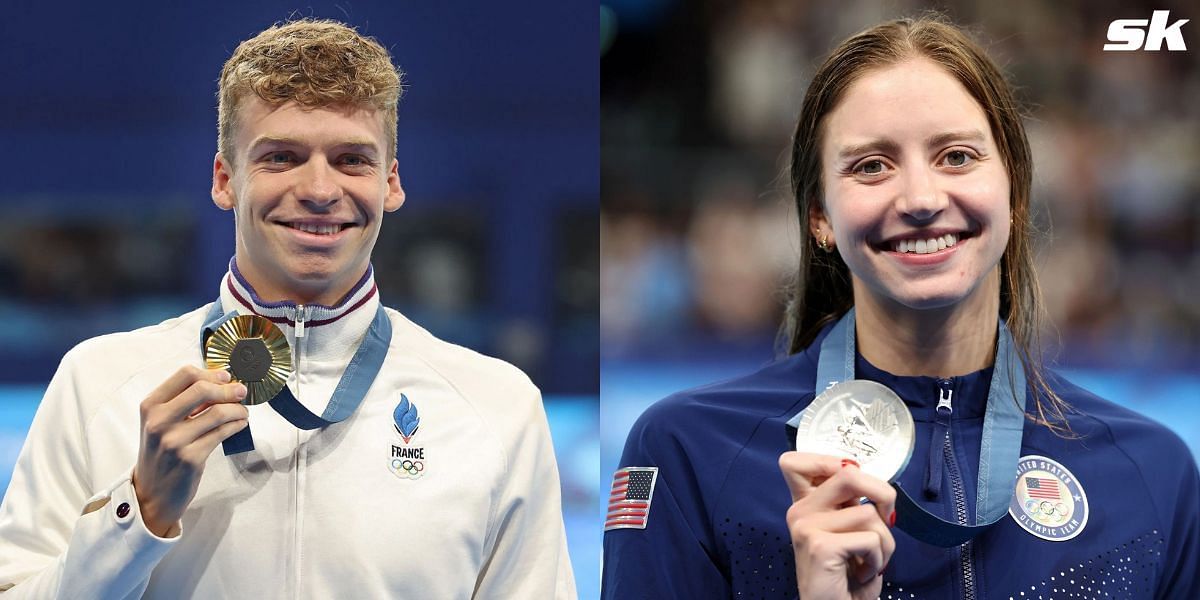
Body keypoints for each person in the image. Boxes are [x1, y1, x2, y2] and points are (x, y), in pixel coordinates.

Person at [602, 15, 1198, 599]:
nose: (920, 198)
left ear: (1014, 189)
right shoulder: (691, 453)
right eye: (872, 166)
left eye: (957, 157)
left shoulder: (1153, 476)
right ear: (819, 216)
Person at [0, 19, 575, 599]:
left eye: (352, 160)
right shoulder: (98, 383)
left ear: (391, 184)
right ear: (226, 180)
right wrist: (137, 514)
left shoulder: (496, 407)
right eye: (282, 157)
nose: (321, 190)